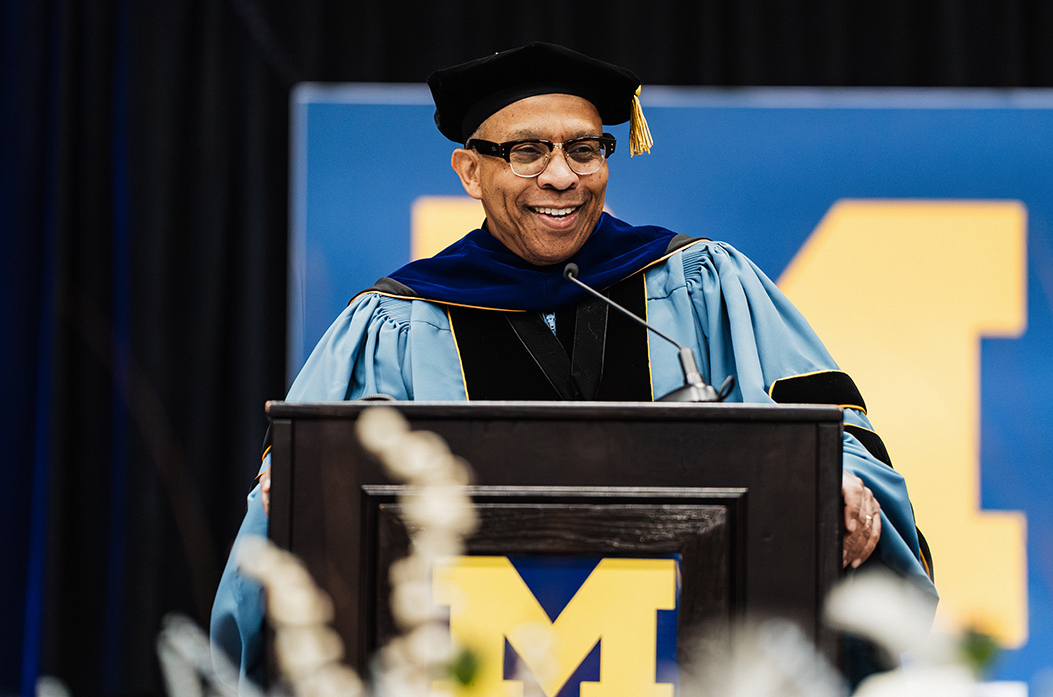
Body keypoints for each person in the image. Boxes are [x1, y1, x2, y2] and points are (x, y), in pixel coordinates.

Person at [211, 42, 936, 689]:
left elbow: (833, 436)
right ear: (469, 170)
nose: (561, 176)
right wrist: (301, 493)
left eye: (585, 149)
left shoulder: (705, 284)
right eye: (525, 151)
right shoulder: (394, 324)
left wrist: (840, 483)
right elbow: (291, 511)